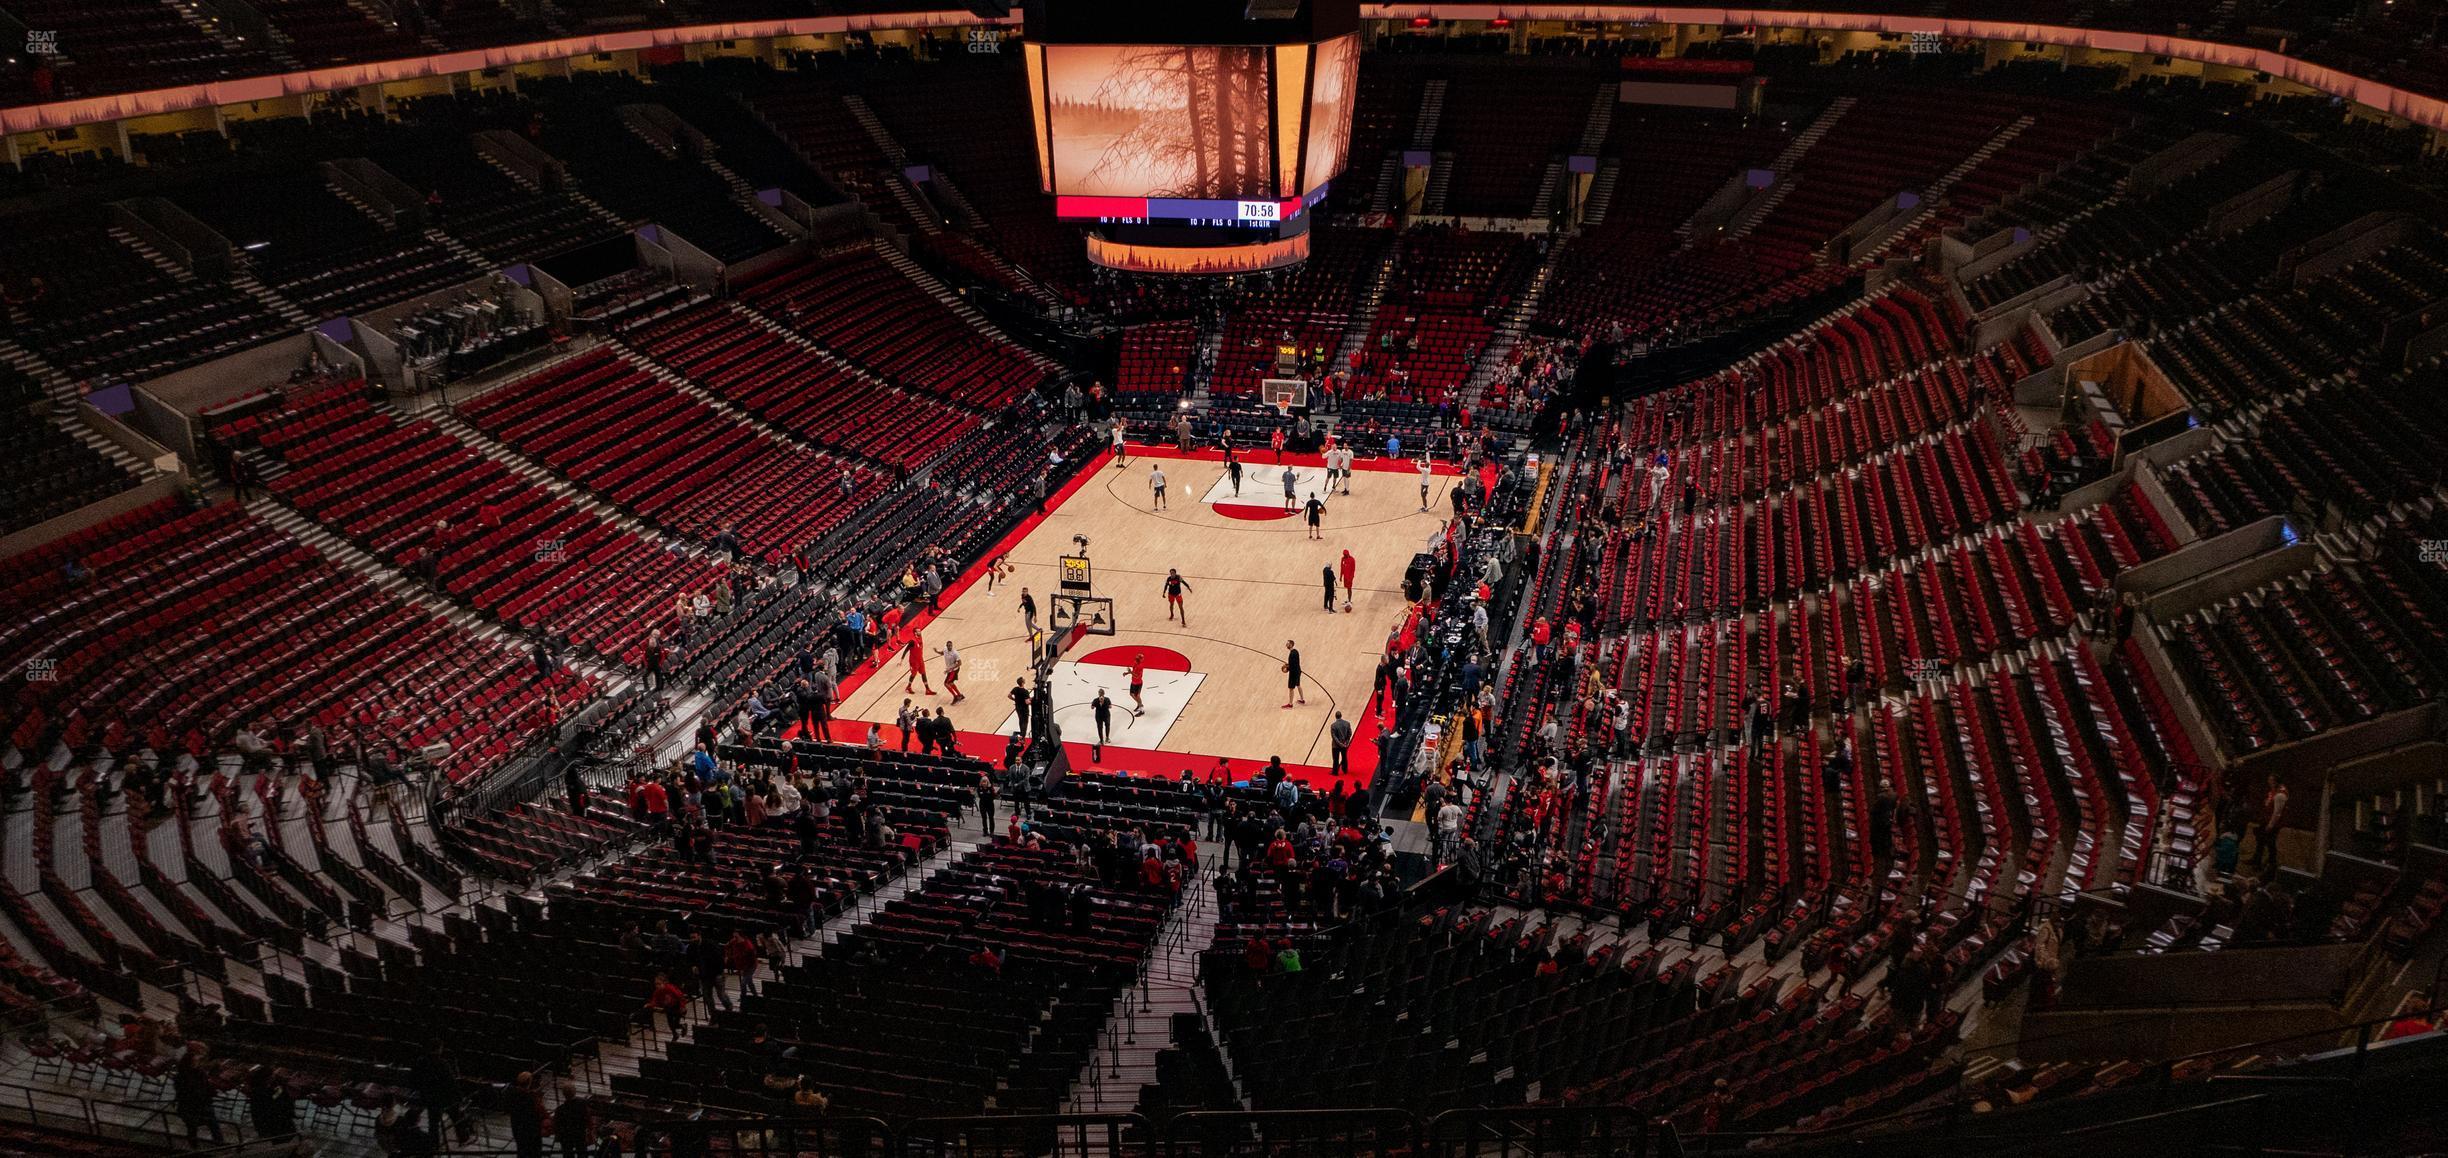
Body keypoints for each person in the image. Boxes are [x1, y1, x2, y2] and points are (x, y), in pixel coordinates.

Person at [173, 1042, 223, 1144]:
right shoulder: (187, 1076)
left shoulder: (197, 1074)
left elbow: (206, 1088)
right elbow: (192, 1091)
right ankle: (217, 1143)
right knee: (209, 1124)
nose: (197, 1063)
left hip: (196, 1105)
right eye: (195, 1061)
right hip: (193, 1106)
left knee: (204, 1125)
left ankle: (213, 1143)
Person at [507, 1071, 547, 1158]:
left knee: (521, 1150)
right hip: (531, 1130)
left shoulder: (512, 1094)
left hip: (517, 1127)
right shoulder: (530, 1098)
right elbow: (537, 1114)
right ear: (529, 1082)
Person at [552, 1080, 592, 1158]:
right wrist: (590, 1130)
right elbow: (587, 1117)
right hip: (580, 1133)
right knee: (582, 1152)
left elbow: (556, 1125)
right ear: (574, 1092)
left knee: (567, 1154)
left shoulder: (560, 1110)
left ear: (564, 1094)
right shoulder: (582, 1103)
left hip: (566, 1137)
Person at [903, 631, 933, 696]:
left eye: (920, 630)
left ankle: (927, 689)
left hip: (920, 659)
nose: (920, 631)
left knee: (923, 673)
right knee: (913, 674)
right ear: (915, 633)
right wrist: (901, 660)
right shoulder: (912, 641)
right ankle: (908, 687)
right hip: (914, 661)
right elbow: (906, 650)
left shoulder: (920, 638)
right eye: (918, 631)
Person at [1330, 711, 1354, 778]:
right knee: (1344, 757)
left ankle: (1335, 772)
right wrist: (1347, 741)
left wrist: (1340, 744)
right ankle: (1345, 770)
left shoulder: (1333, 725)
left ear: (1335, 716)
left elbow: (1334, 737)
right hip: (1344, 744)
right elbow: (1350, 733)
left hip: (1336, 746)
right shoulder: (1347, 723)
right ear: (1341, 715)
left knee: (1336, 759)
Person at [1282, 640, 1305, 708]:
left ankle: (1290, 704)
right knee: (1298, 684)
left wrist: (1287, 669)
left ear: (1291, 645)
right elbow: (1294, 663)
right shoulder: (1295, 651)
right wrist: (1288, 664)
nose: (1286, 644)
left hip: (1294, 673)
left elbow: (1293, 665)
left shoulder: (1292, 653)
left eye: (1288, 643)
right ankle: (1302, 700)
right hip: (1298, 671)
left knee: (1291, 688)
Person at [1091, 689, 1114, 758]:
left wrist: (1104, 703)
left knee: (1107, 726)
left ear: (1103, 694)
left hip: (1106, 715)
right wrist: (1095, 704)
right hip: (1099, 716)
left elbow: (1110, 706)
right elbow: (1092, 707)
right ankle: (1101, 740)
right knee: (1100, 727)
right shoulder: (1095, 700)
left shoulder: (1107, 699)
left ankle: (1107, 738)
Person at [1127, 653, 1148, 718]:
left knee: (1137, 696)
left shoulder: (1140, 666)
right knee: (1131, 694)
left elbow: (1137, 676)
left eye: (1137, 659)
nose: (1135, 660)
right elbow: (1133, 672)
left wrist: (1130, 672)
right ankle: (1139, 704)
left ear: (1139, 660)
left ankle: (1142, 710)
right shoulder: (1135, 663)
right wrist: (1127, 673)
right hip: (1133, 682)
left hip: (1138, 683)